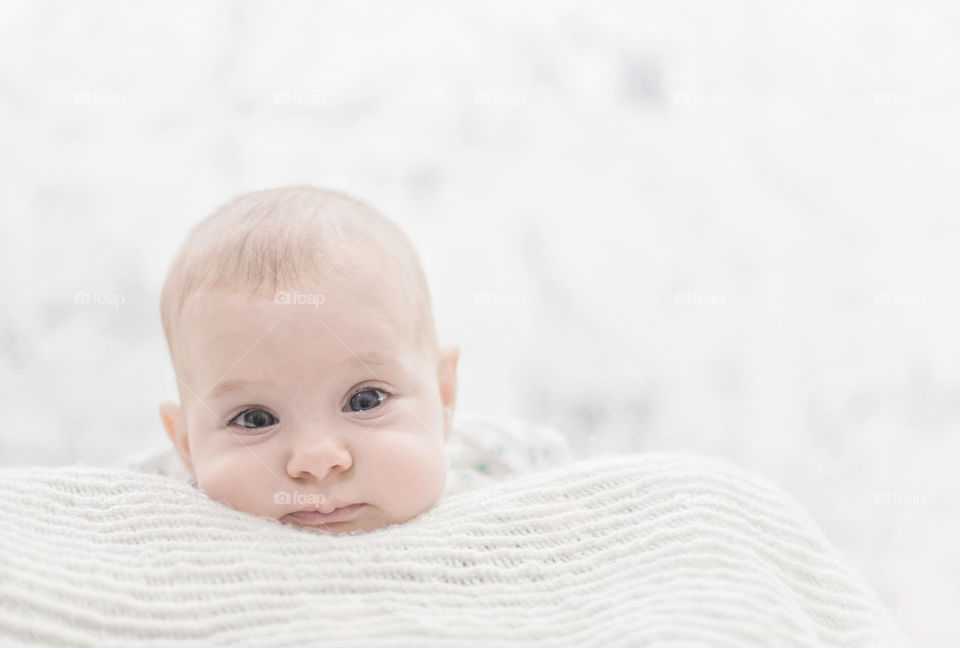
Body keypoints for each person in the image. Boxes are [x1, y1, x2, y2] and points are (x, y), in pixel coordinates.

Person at [158, 186, 460, 535]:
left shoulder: (514, 484)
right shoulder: (155, 527)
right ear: (185, 444)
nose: (317, 461)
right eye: (255, 420)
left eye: (365, 401)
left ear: (444, 397)